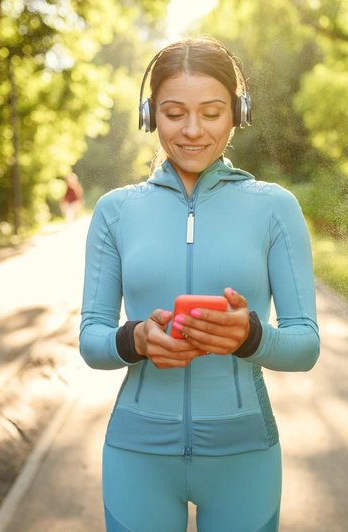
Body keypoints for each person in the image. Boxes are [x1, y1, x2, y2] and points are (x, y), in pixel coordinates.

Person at [79, 36, 320, 532]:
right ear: (150, 116)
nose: (192, 130)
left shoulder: (275, 207)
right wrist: (135, 339)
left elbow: (305, 345)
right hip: (137, 455)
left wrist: (252, 336)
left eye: (211, 113)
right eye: (173, 113)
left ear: (238, 112)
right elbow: (91, 340)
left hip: (244, 456)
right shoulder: (115, 211)